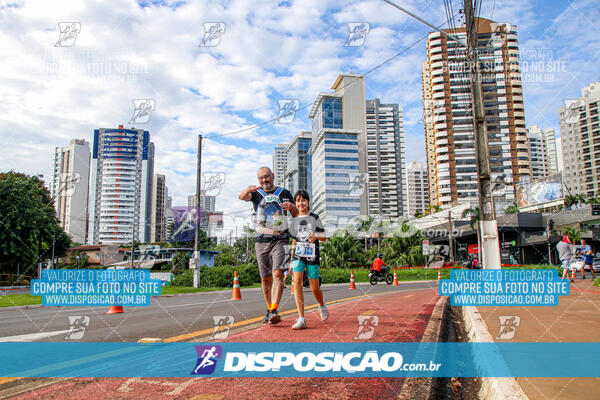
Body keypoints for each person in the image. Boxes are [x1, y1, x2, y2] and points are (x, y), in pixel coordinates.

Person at [239, 167, 298, 324]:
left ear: (272, 176)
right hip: (261, 240)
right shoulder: (256, 194)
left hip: (281, 239)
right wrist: (248, 189)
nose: (264, 180)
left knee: (278, 274)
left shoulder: (284, 193)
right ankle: (269, 310)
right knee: (265, 278)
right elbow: (241, 196)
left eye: (266, 177)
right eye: (260, 178)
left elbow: (296, 214)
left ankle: (273, 309)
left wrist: (292, 207)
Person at [288, 190, 328, 330]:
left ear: (308, 202)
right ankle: (301, 319)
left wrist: (316, 235)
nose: (301, 203)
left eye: (303, 200)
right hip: (299, 255)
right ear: (295, 203)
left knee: (314, 288)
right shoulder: (294, 220)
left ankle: (322, 305)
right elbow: (294, 241)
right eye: (298, 201)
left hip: (313, 256)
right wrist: (291, 261)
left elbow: (324, 236)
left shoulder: (315, 218)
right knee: (297, 283)